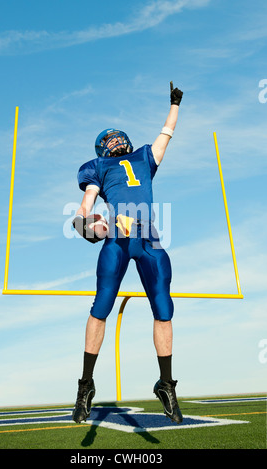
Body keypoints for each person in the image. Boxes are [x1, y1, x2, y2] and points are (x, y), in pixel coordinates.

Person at [72, 82, 183, 424]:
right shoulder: (98, 168)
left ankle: (166, 384)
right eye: (110, 139)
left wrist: (175, 104)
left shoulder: (144, 158)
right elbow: (84, 210)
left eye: (118, 136)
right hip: (118, 238)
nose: (116, 140)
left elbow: (166, 135)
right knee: (101, 307)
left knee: (164, 309)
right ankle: (86, 385)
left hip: (147, 235)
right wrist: (91, 227)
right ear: (102, 149)